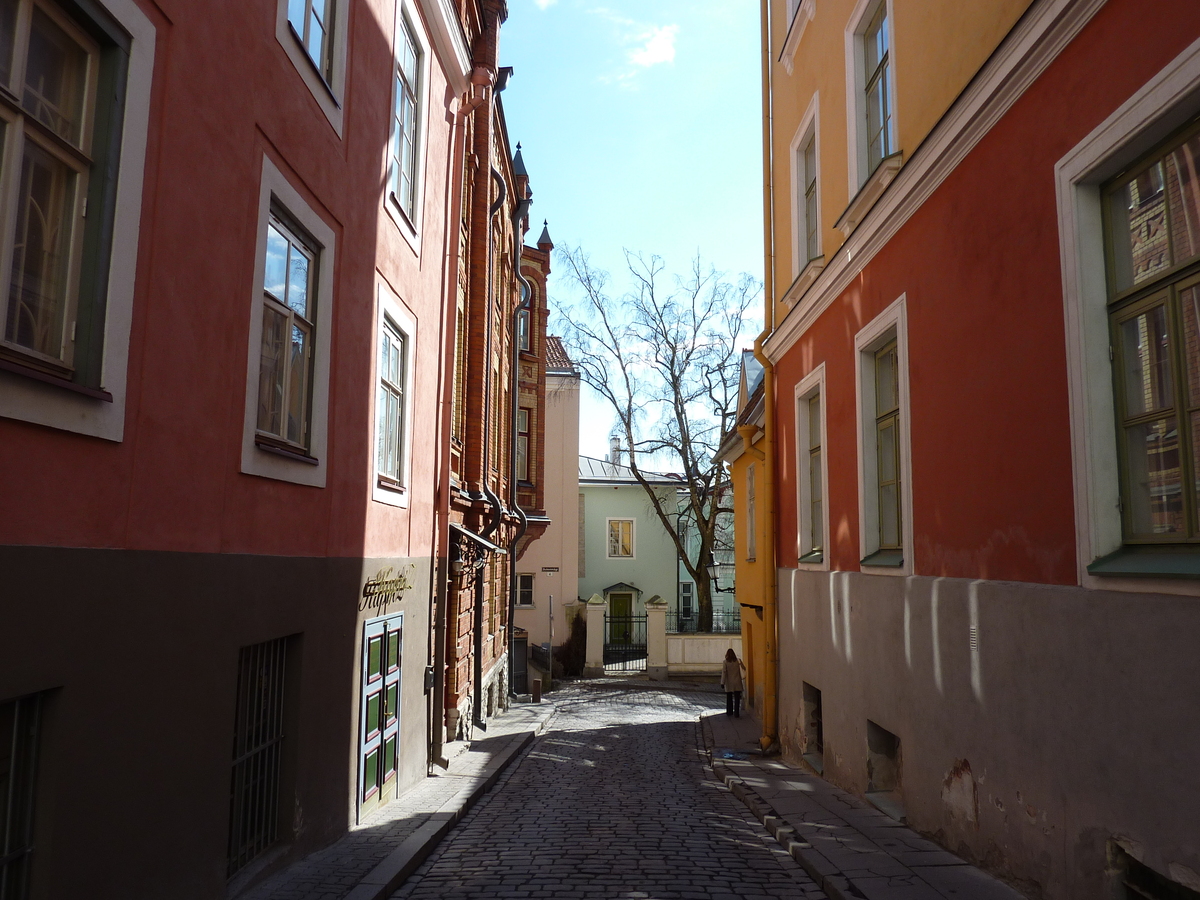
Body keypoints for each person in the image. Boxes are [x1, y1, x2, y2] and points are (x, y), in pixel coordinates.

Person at [721, 647, 743, 718]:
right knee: (737, 698)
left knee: (729, 698)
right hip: (737, 681)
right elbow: (744, 668)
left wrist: (722, 682)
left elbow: (724, 672)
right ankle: (736, 713)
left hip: (729, 682)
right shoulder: (738, 661)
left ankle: (729, 712)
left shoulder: (725, 662)